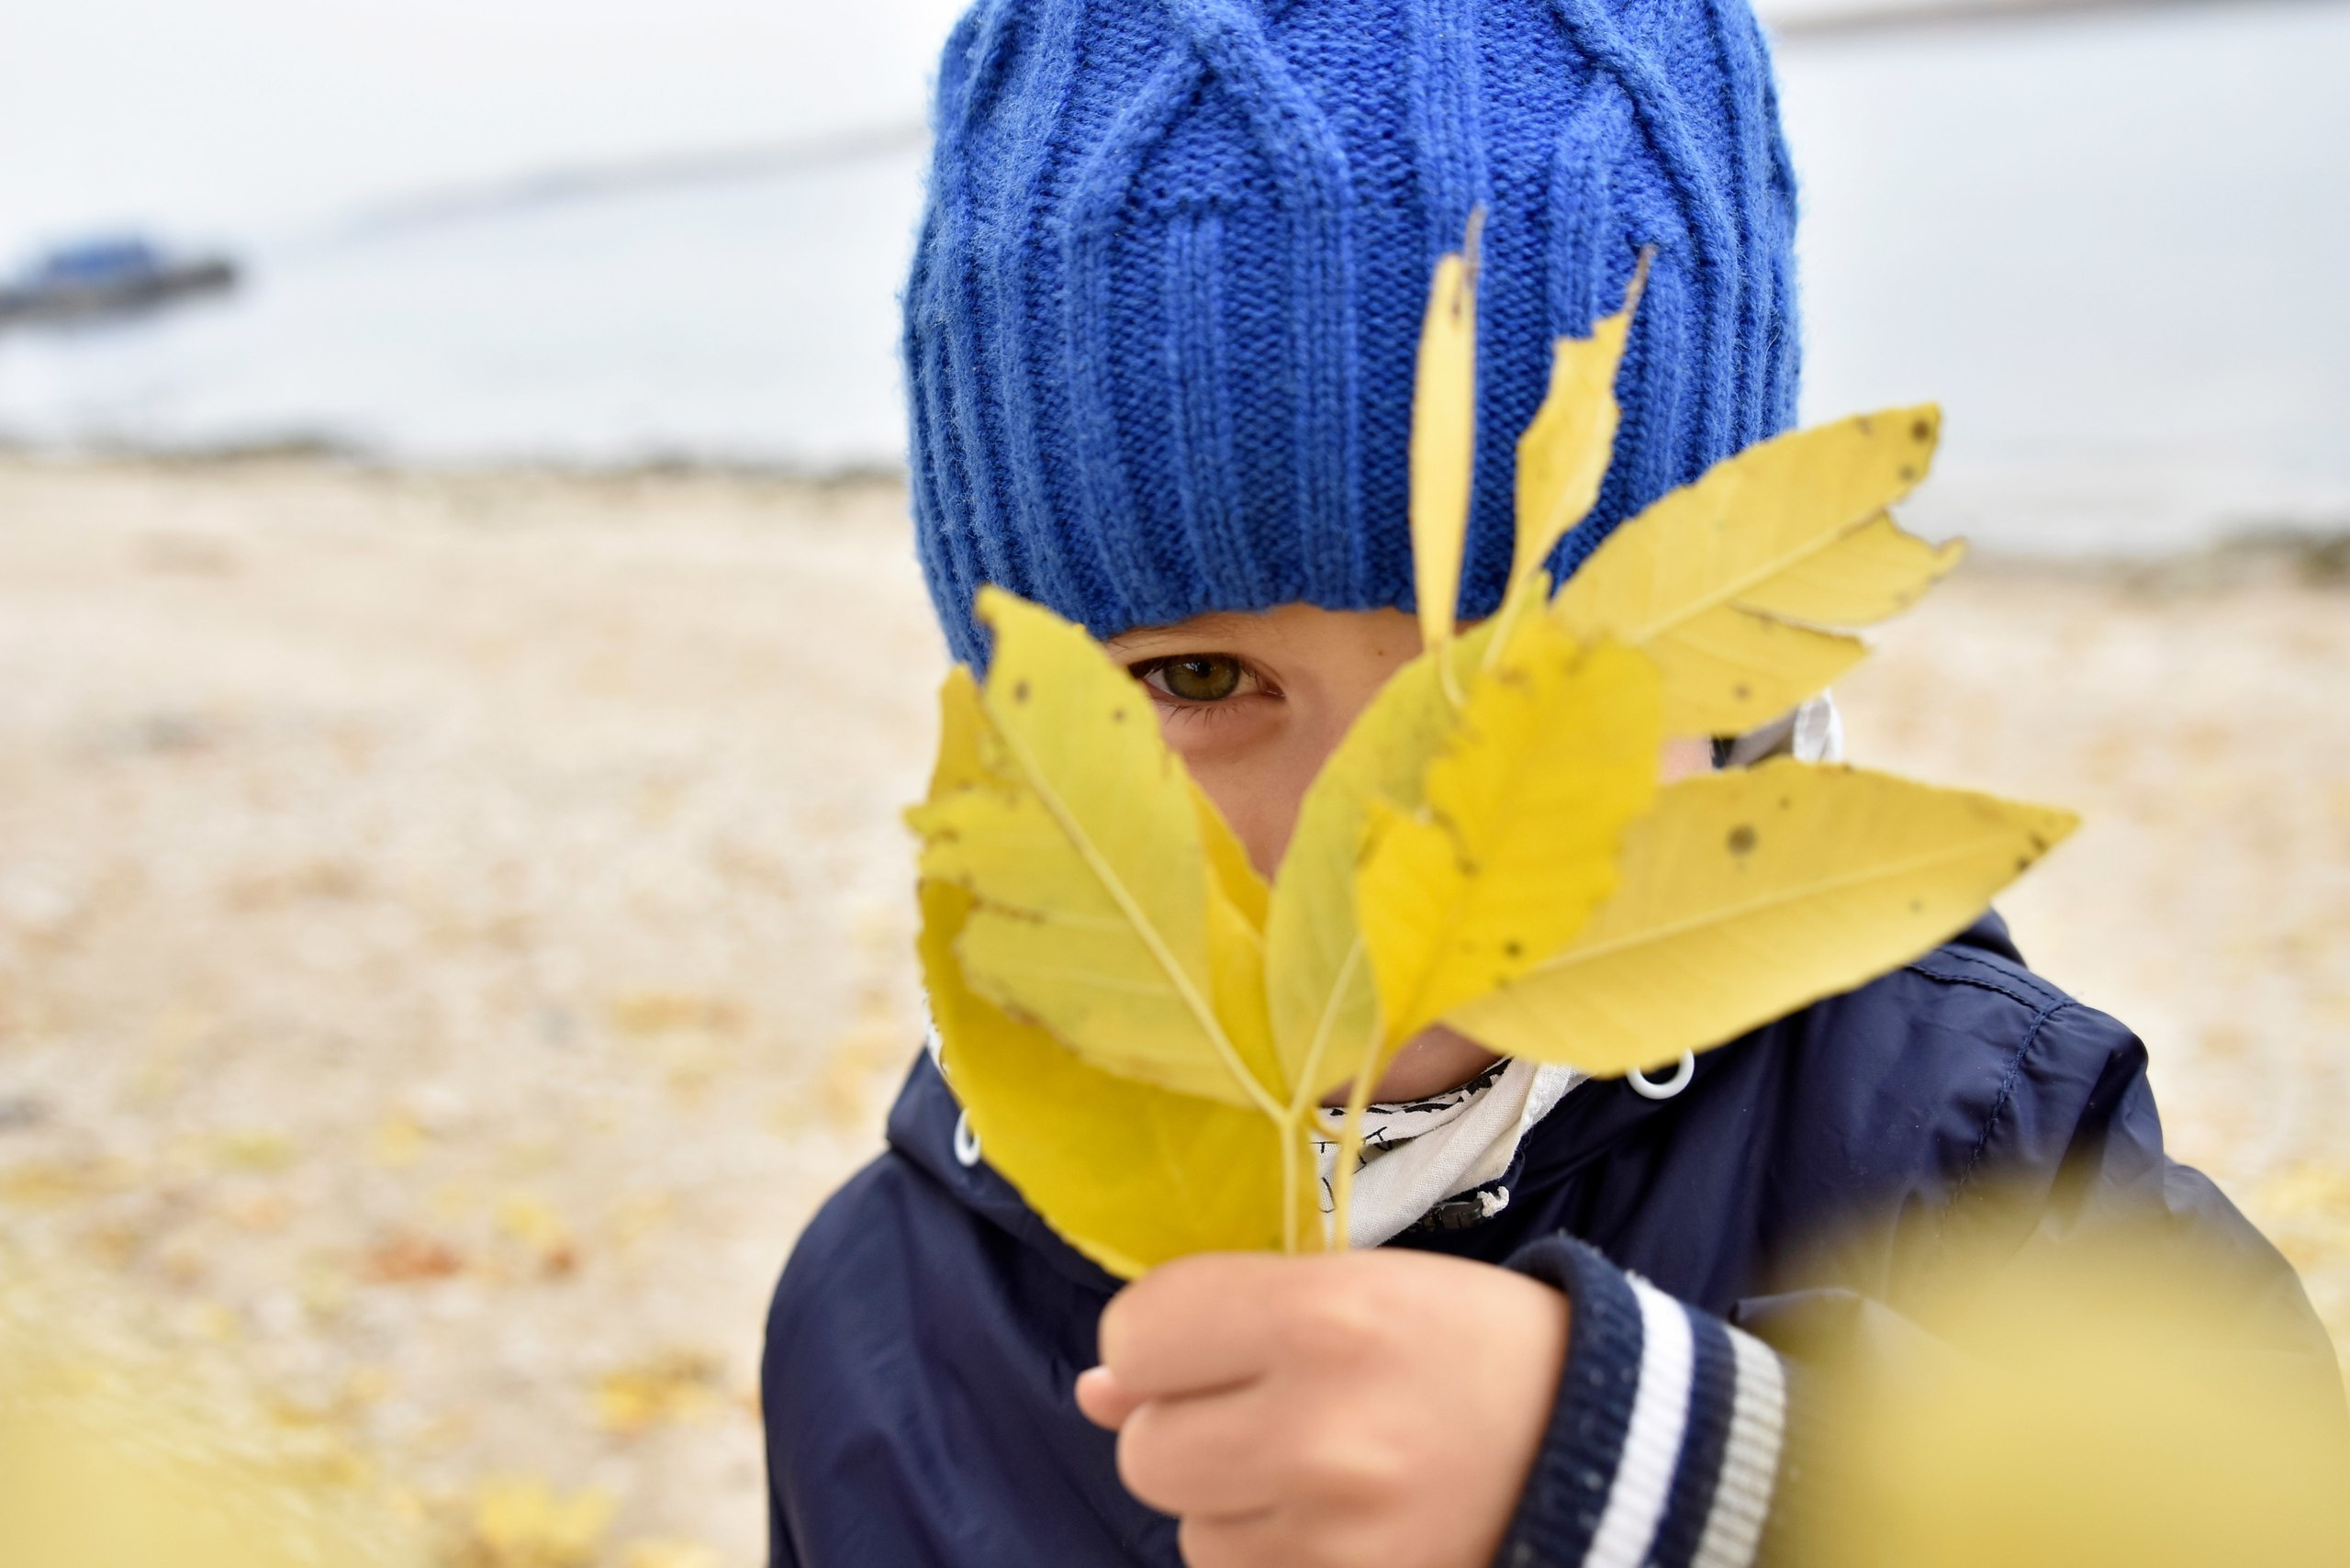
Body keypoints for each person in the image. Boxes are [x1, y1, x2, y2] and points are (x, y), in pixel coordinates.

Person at [760, 3, 2341, 1564]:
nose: (1369, 854)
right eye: (1198, 682)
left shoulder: (1975, 1149)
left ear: (1735, 662)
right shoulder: (885, 1326)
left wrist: (1689, 1476)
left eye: (1521, 681)